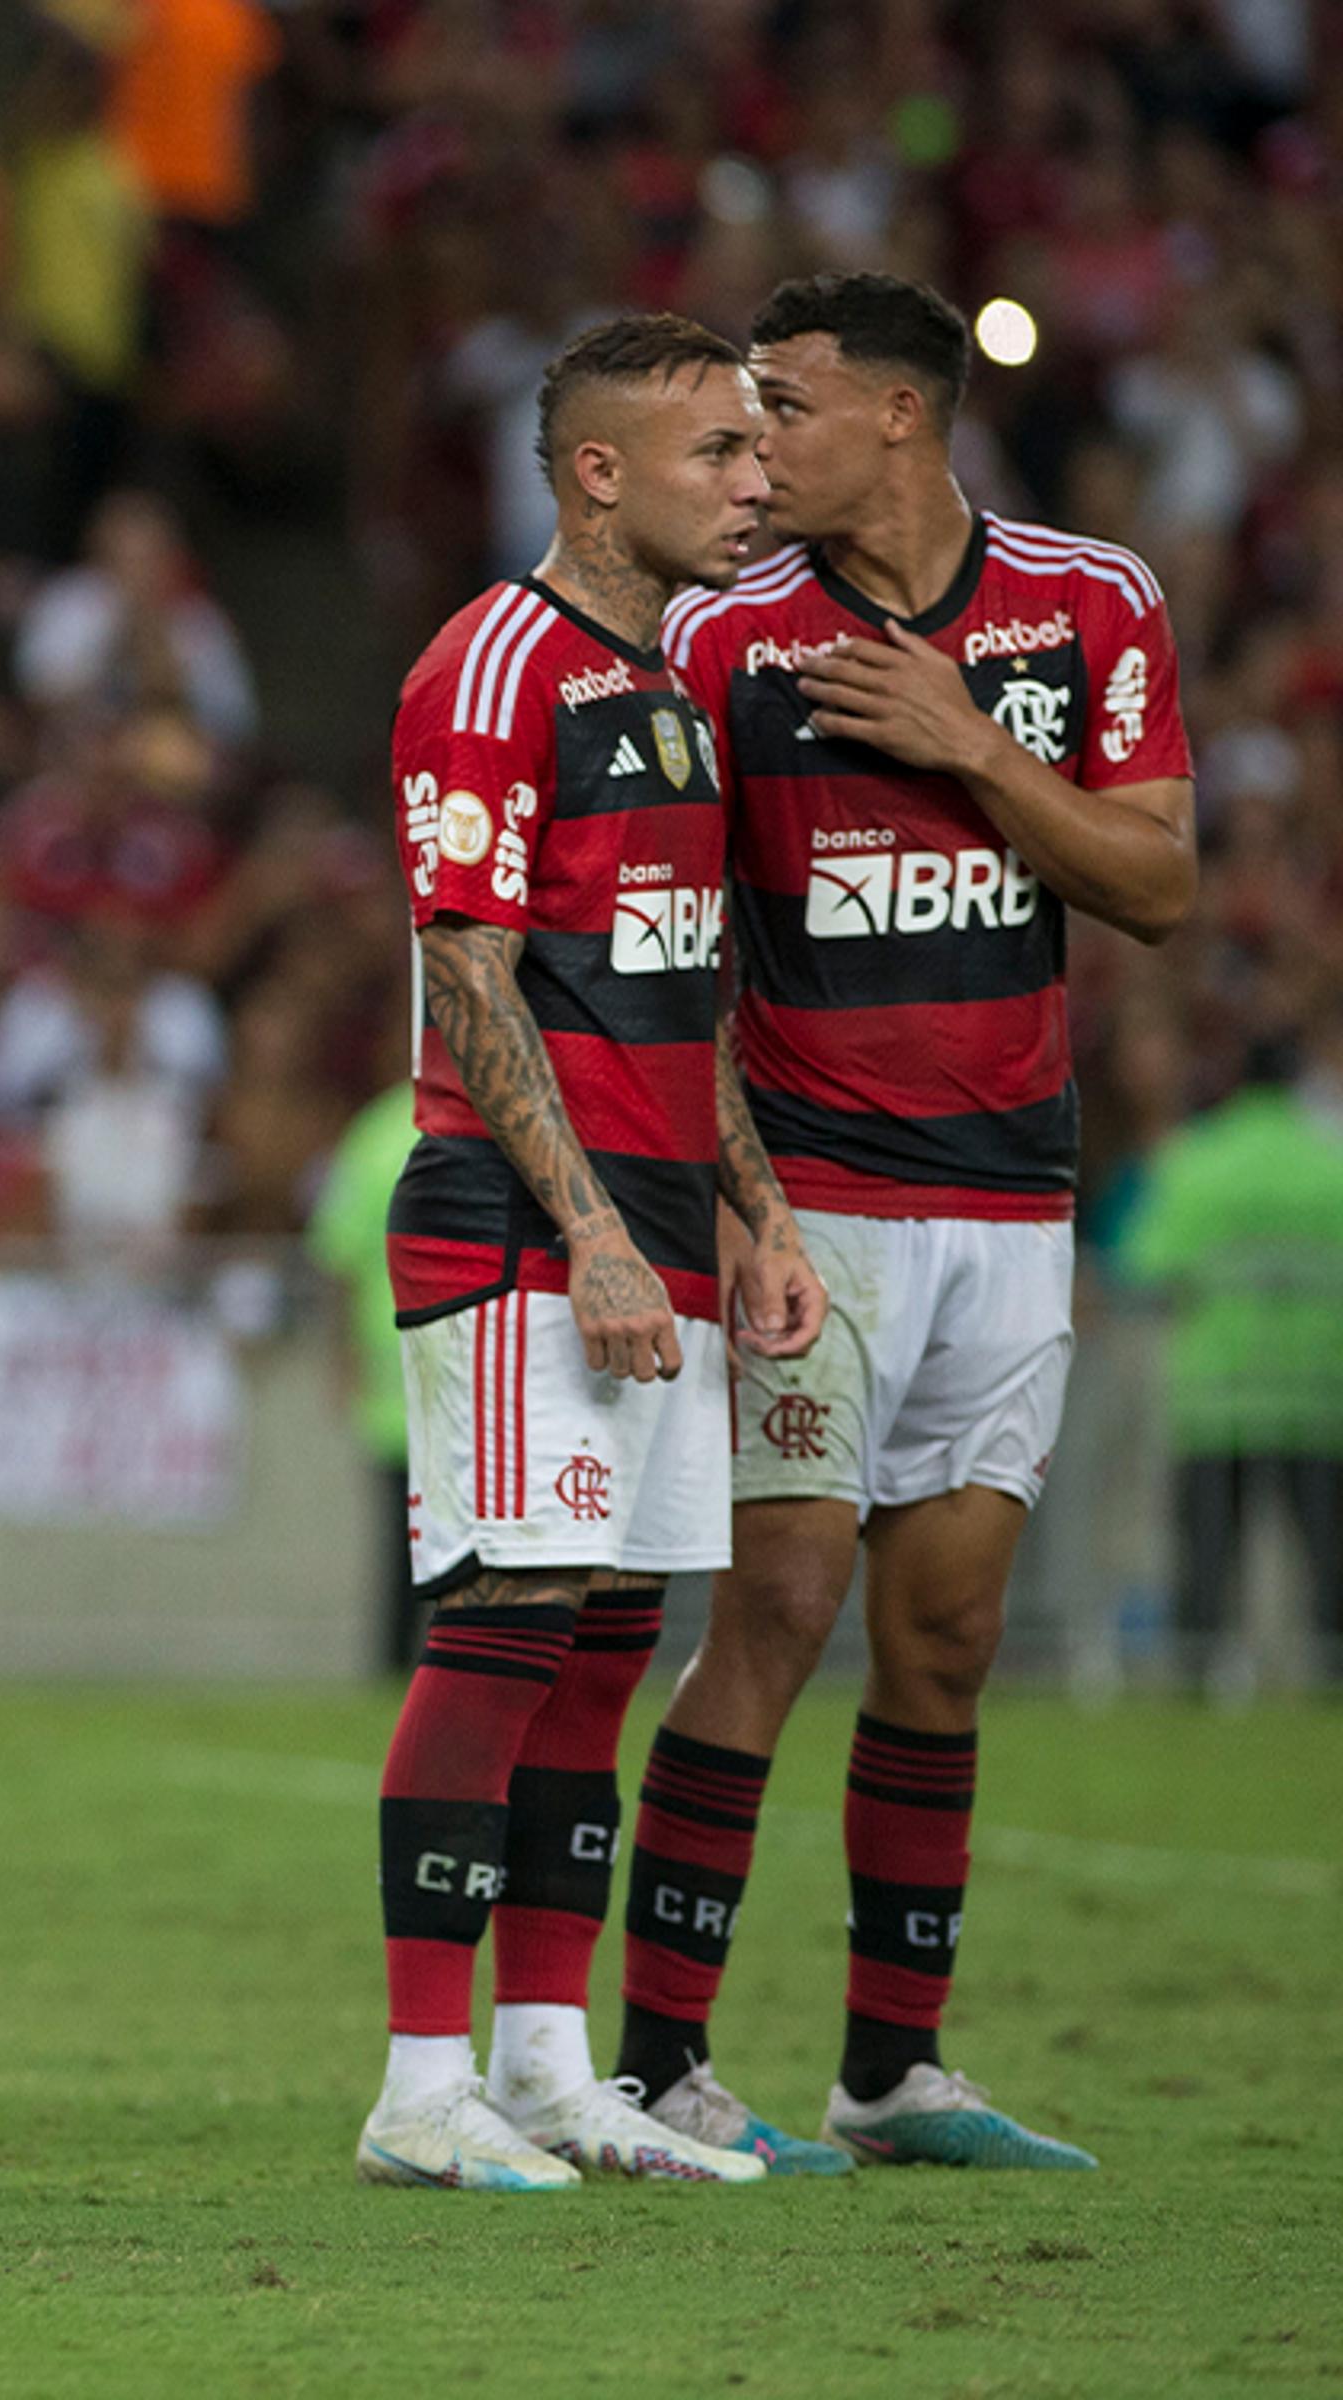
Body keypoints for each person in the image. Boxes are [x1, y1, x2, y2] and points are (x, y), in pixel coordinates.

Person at [624, 273, 1198, 2174]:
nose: (747, 440)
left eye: (776, 404)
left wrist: (967, 743)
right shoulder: (721, 642)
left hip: (1015, 1201)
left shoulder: (1089, 603)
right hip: (821, 1200)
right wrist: (736, 1206)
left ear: (895, 415)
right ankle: (659, 2065)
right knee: (781, 1607)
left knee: (946, 1638)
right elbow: (677, 954)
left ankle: (893, 2072)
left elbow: (1159, 882)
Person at [355, 314, 818, 2194]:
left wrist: (758, 1212)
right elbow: (468, 963)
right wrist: (601, 1239)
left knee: (611, 1639)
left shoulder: (680, 688)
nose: (760, 479)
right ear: (598, 473)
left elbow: (680, 990)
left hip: (660, 1239)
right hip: (528, 1235)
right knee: (506, 1625)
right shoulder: (490, 667)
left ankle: (548, 2064)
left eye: (761, 448)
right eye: (719, 450)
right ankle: (415, 2083)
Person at [1115, 1026, 1343, 1694]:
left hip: (1217, 1398)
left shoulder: (1195, 1162)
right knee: (1329, 1561)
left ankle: (1197, 1680)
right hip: (1317, 1397)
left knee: (1208, 1559)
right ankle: (1331, 1682)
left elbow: (1142, 1263)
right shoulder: (1332, 1164)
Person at [305, 1073, 419, 1678]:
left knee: (403, 1548)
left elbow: (335, 1255)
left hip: (391, 1373)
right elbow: (338, 1255)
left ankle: (398, 1665)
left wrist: (342, 1360)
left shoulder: (374, 1134)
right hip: (430, 1378)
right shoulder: (492, 1112)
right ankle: (422, 1667)